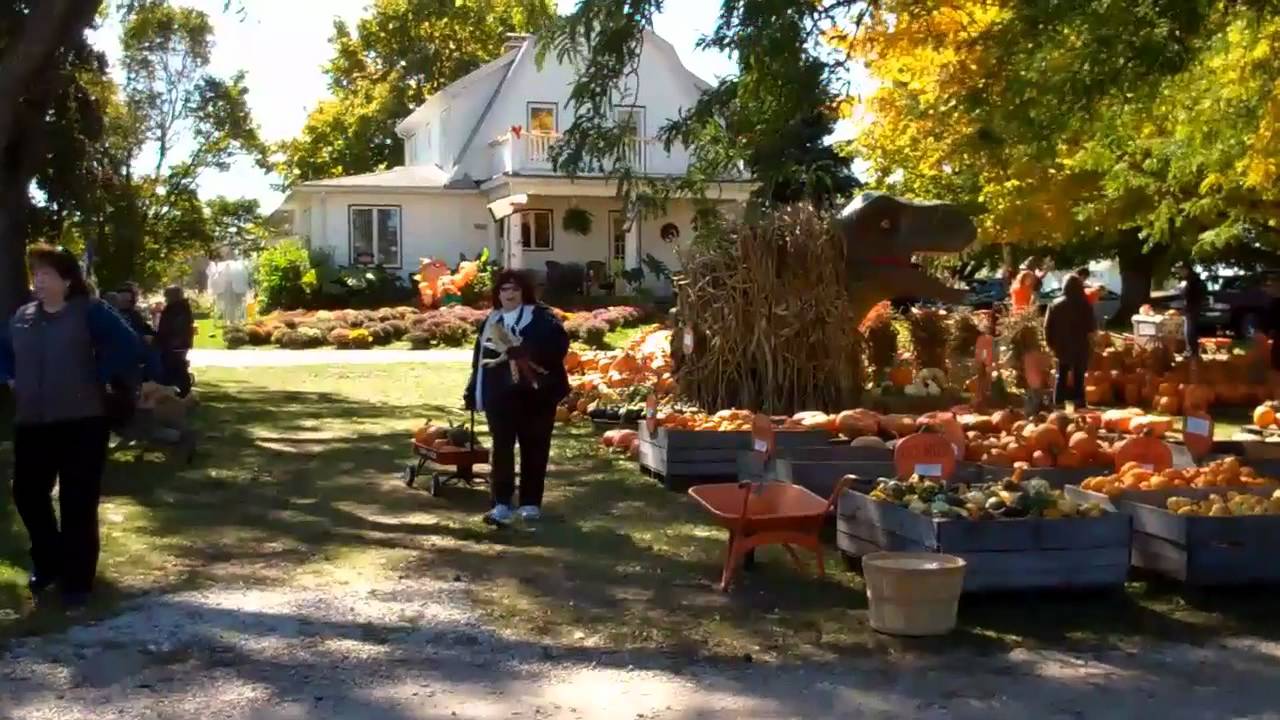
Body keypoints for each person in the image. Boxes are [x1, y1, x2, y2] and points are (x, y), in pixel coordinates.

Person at [0, 245, 143, 607]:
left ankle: (77, 582)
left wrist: (101, 375)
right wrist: (9, 377)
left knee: (78, 501)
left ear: (67, 280)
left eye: (46, 274)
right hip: (33, 421)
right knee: (28, 494)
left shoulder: (89, 312)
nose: (39, 282)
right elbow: (3, 350)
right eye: (36, 275)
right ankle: (49, 562)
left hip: (83, 420)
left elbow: (128, 344)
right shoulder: (22, 317)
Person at [464, 270, 569, 527]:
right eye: (504, 290)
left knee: (535, 448)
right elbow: (479, 360)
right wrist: (472, 389)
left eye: (514, 289)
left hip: (536, 397)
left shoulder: (542, 317)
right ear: (497, 294)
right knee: (501, 448)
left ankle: (530, 503)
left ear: (524, 292)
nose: (509, 294)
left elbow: (558, 346)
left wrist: (527, 351)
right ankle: (501, 503)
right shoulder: (491, 321)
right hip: (500, 397)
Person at [1043, 274, 1096, 408]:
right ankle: (1080, 403)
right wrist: (1092, 344)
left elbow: (1047, 326)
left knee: (1061, 375)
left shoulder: (1055, 304)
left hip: (1061, 345)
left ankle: (1059, 403)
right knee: (1079, 376)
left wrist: (1050, 343)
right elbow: (1091, 327)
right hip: (1080, 345)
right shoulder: (1085, 304)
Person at [155, 286, 195, 396]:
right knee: (176, 366)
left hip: (175, 343)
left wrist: (161, 338)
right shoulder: (179, 309)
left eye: (167, 296)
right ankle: (180, 389)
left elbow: (173, 327)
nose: (165, 299)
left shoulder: (177, 310)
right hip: (177, 343)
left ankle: (182, 390)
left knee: (176, 366)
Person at [1180, 263, 1207, 358]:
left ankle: (1191, 351)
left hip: (1191, 308)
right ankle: (1193, 351)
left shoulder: (1191, 280)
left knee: (1189, 330)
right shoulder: (1195, 279)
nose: (1180, 272)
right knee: (1192, 330)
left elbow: (1187, 294)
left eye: (1182, 270)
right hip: (1194, 308)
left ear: (1187, 270)